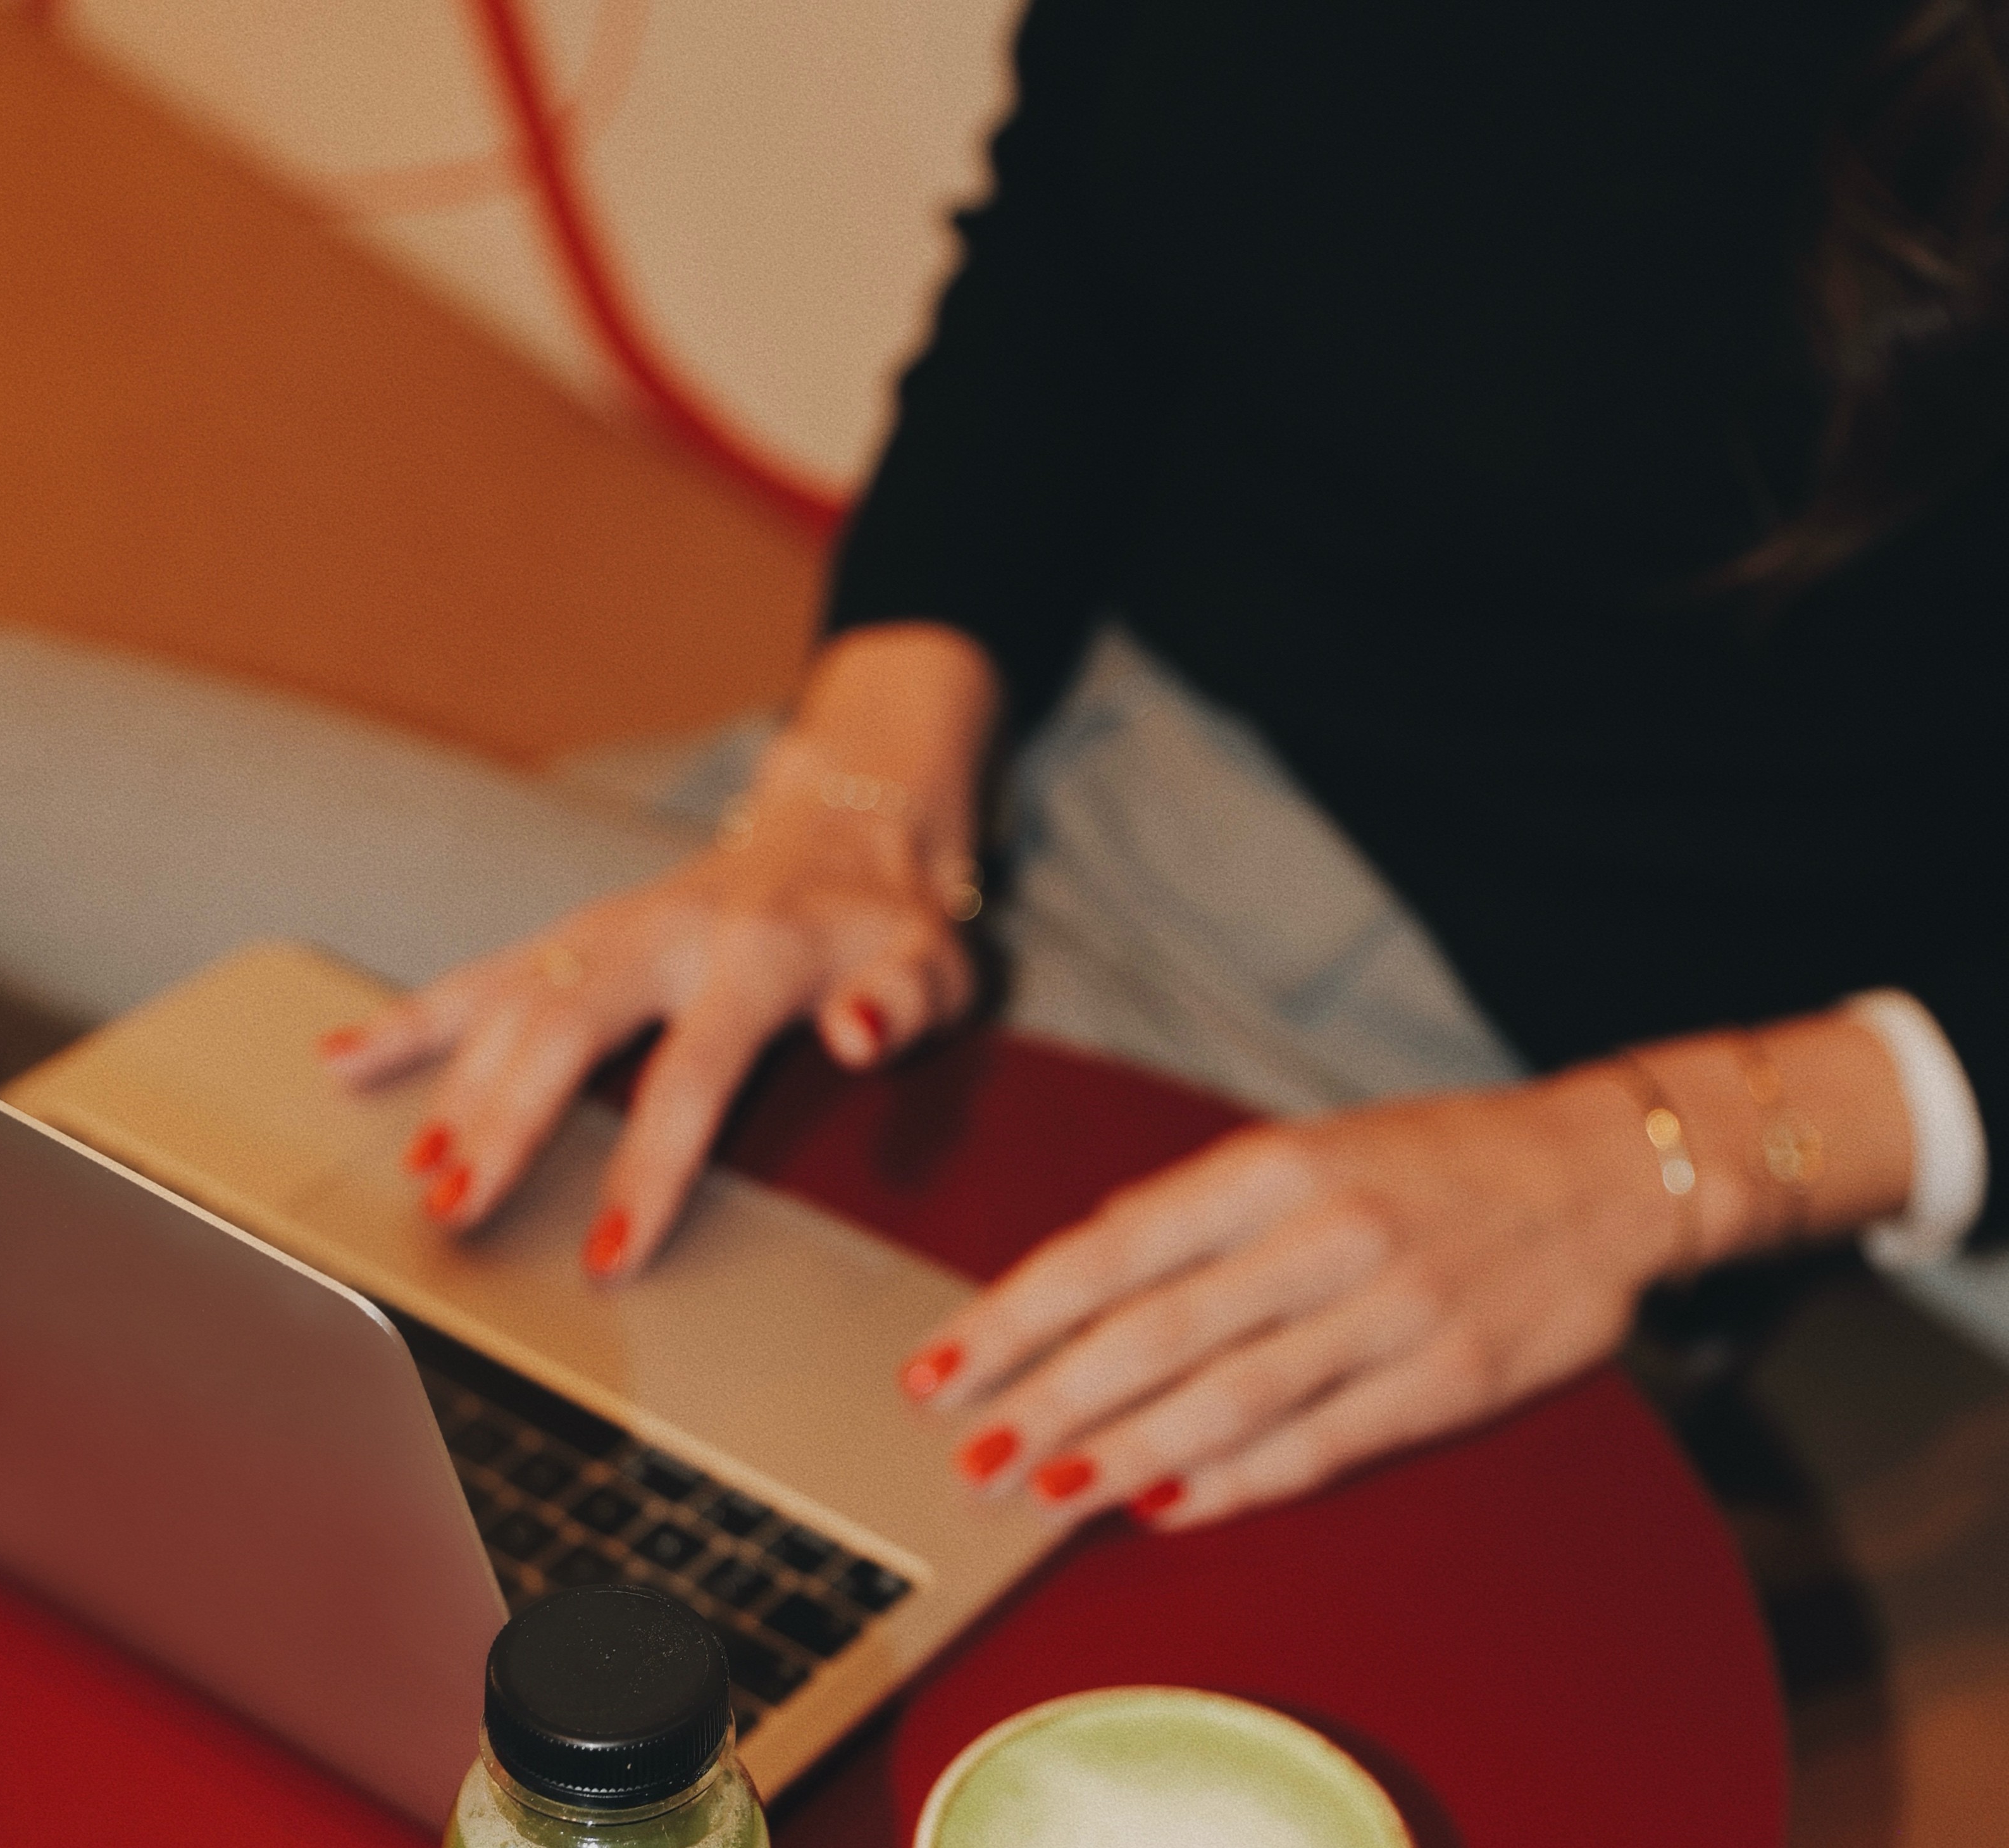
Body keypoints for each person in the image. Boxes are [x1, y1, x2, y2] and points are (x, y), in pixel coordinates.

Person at [325, 0, 2008, 1534]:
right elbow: (1075, 222)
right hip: (976, 801)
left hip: (1488, 1108)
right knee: (150, 1120)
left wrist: (1663, 1167)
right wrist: (855, 791)